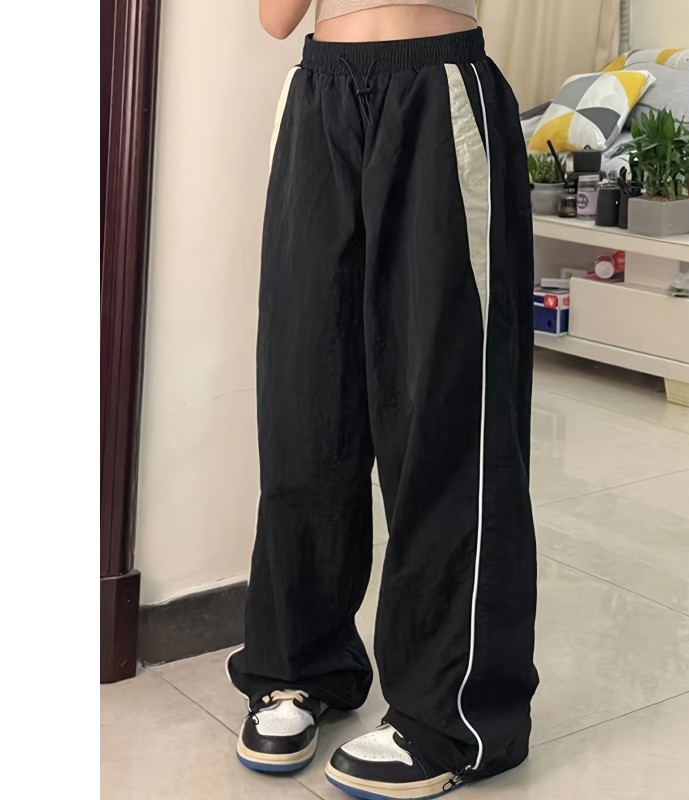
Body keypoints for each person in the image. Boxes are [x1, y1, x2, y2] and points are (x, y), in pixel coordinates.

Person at [226, 2, 539, 798]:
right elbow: (275, 17)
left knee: (446, 414)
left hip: (438, 89)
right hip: (320, 96)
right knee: (305, 403)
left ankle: (454, 715)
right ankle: (302, 668)